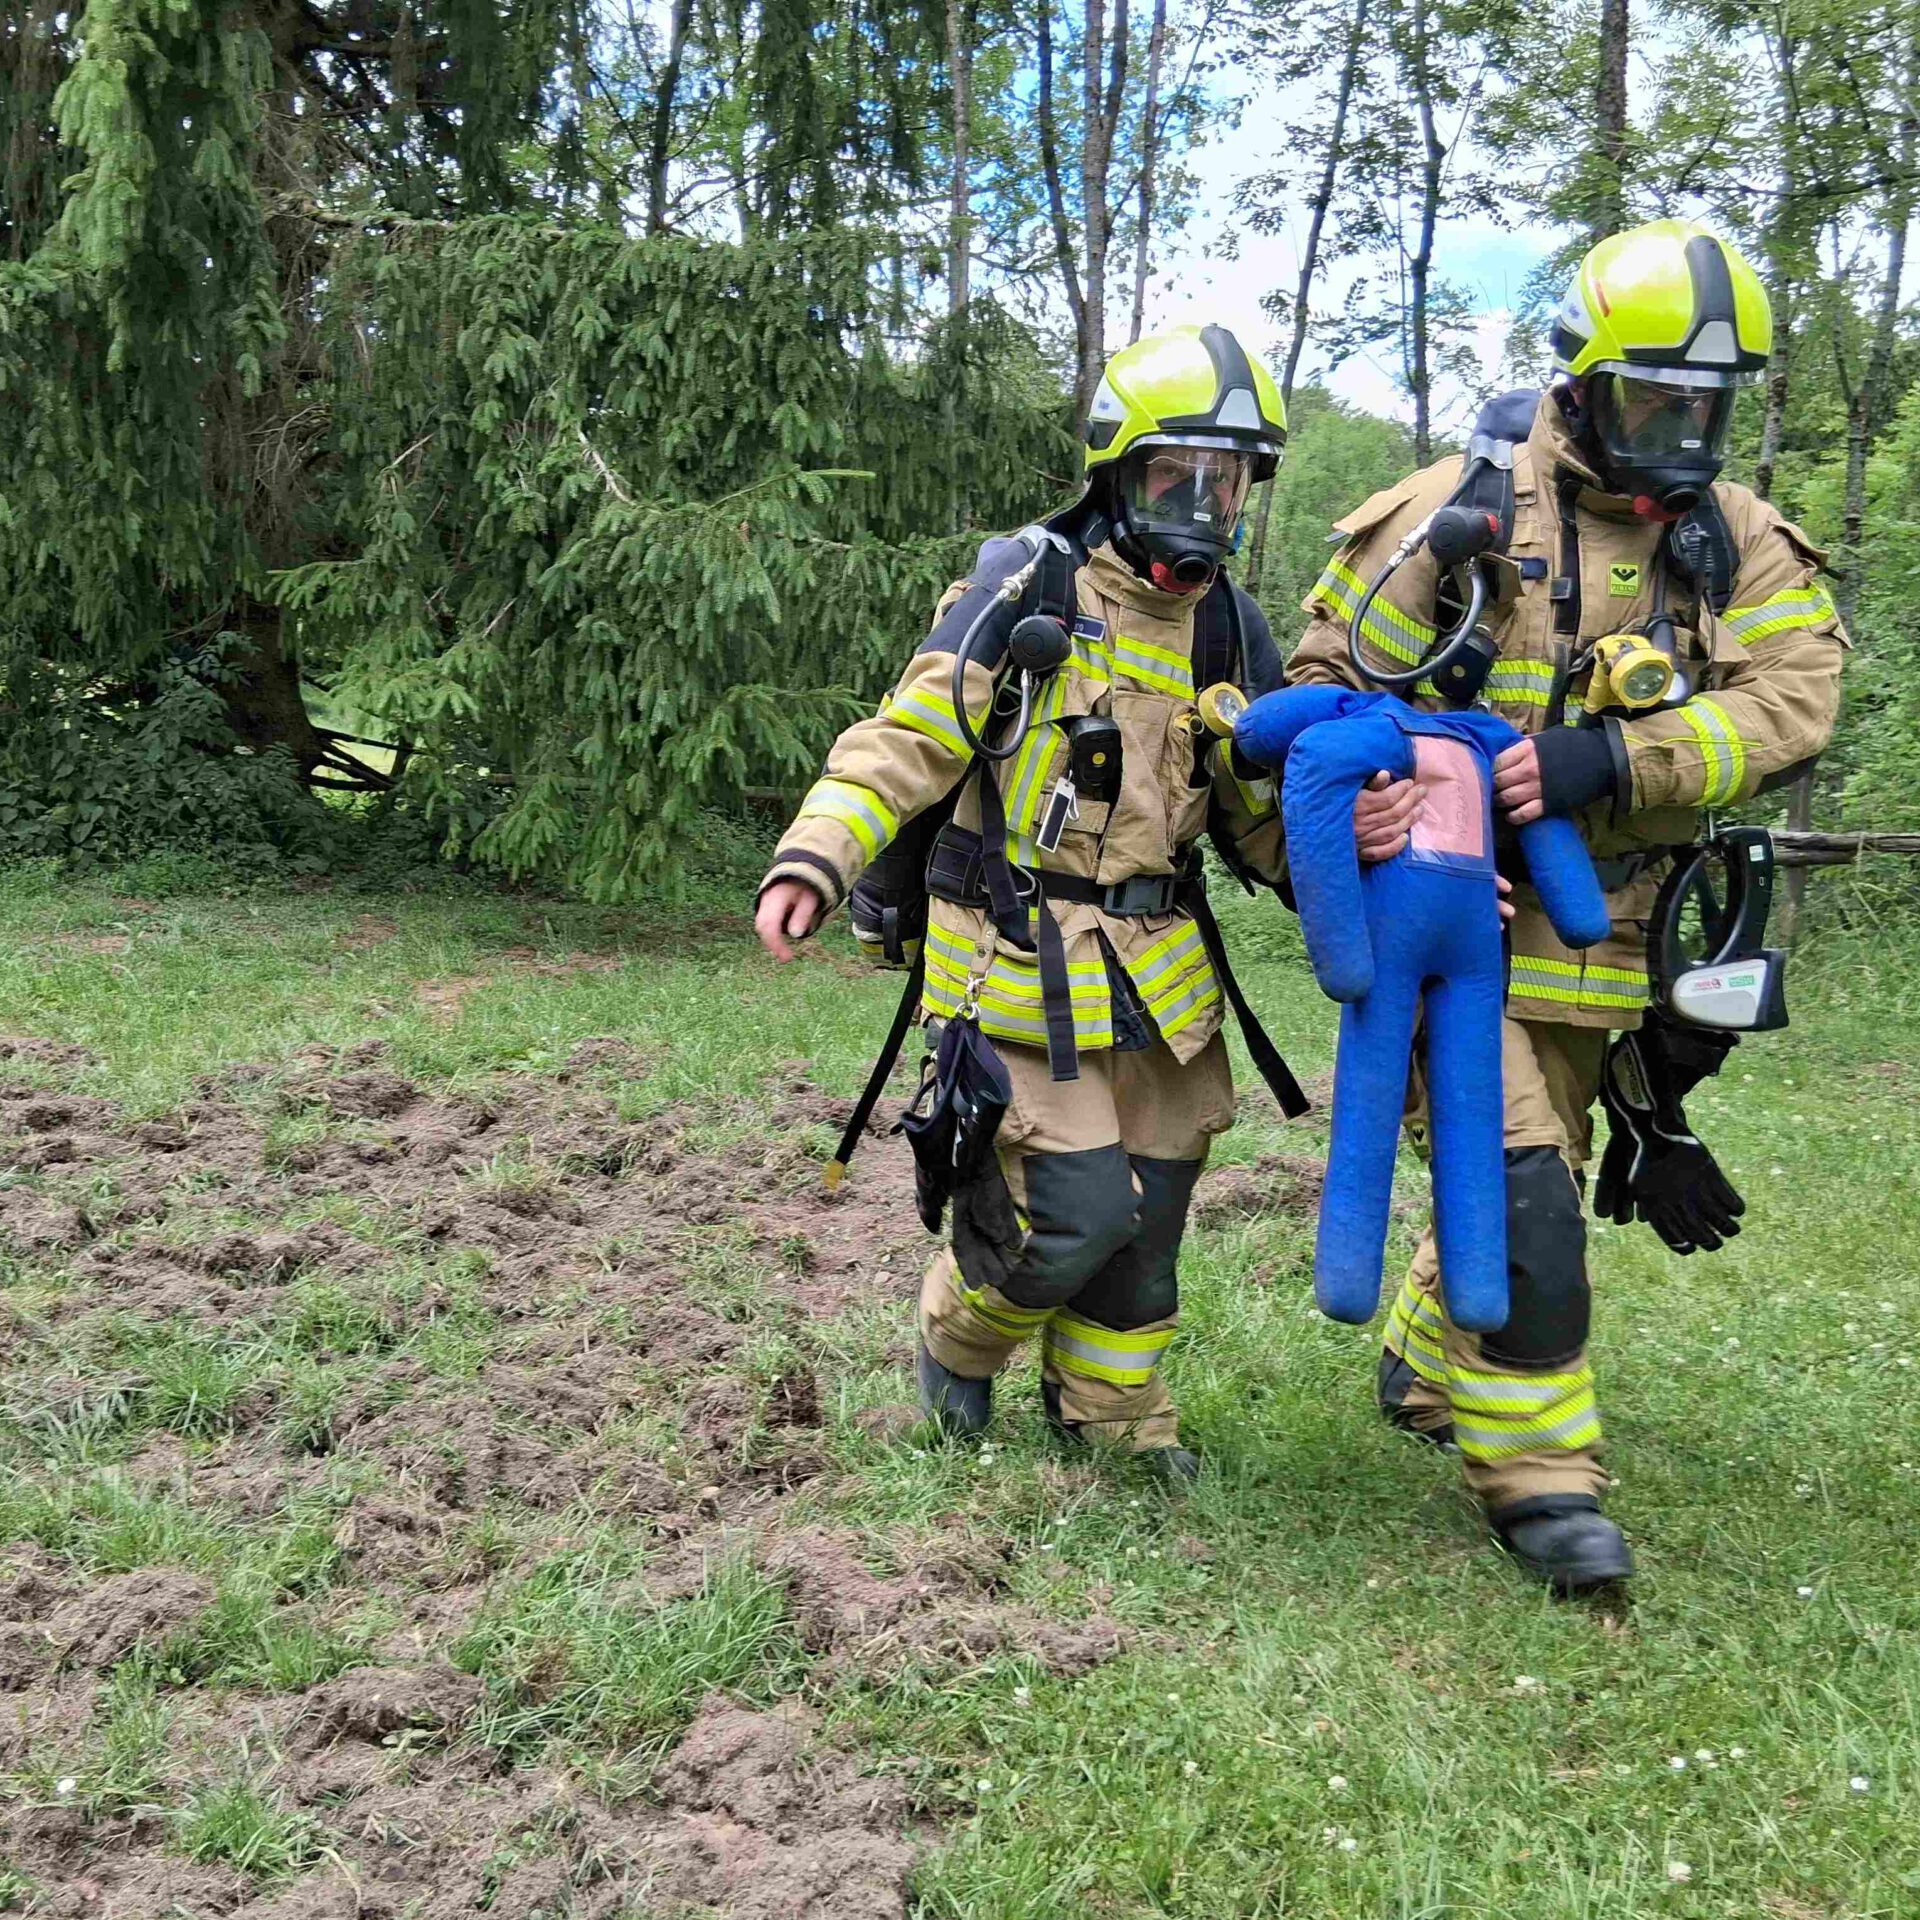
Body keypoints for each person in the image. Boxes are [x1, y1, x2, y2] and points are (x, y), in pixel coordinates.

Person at [1289, 219, 1847, 1591]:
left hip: (1624, 946)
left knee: (1541, 1172)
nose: (1686, 430)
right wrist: (1379, 810)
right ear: (1585, 382)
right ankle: (1543, 1485)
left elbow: (1797, 698)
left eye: (1713, 404)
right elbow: (1326, 687)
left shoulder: (1739, 541)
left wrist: (1620, 756)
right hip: (1460, 937)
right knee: (1525, 1205)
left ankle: (1430, 1363)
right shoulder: (1461, 514)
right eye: (1660, 397)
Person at [756, 324, 1296, 1480]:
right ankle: (959, 1337)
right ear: (1118, 471)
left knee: (1149, 1226)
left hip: (1161, 974)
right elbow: (908, 742)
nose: (1202, 504)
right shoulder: (1029, 579)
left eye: (1228, 478)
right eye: (1175, 475)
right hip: (1018, 956)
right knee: (1073, 1214)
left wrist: (1391, 891)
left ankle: (1111, 1413)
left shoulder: (1231, 629)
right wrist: (817, 856)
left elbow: (1261, 820)